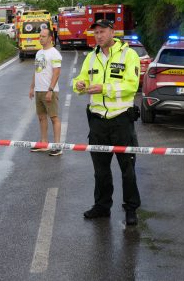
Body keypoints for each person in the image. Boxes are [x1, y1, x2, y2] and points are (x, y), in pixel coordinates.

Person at [72, 19, 141, 226]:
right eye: (96, 33)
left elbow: (131, 85)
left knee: (127, 168)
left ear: (112, 32)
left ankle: (131, 209)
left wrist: (104, 88)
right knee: (100, 169)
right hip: (97, 121)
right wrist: (80, 84)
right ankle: (102, 206)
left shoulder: (129, 55)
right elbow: (78, 81)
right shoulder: (91, 57)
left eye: (102, 32)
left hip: (121, 120)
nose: (98, 36)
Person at [29, 28, 62, 156]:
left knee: (54, 118)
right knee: (41, 117)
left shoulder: (54, 53)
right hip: (39, 90)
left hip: (49, 91)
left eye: (43, 36)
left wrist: (50, 89)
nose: (40, 38)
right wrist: (32, 87)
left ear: (50, 38)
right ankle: (44, 143)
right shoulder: (39, 53)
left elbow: (57, 72)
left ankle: (58, 146)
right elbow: (36, 71)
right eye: (40, 36)